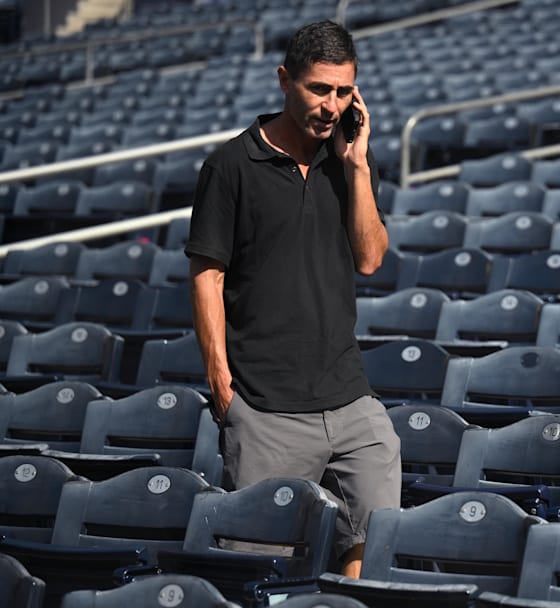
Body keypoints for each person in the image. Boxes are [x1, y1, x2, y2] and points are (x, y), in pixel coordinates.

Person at [185, 20, 400, 578]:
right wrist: (222, 387)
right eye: (319, 89)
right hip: (266, 408)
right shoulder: (230, 167)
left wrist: (356, 169)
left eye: (344, 91)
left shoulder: (349, 162)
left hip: (351, 400)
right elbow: (207, 274)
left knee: (375, 548)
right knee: (263, 573)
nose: (332, 105)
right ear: (285, 80)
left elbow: (372, 258)